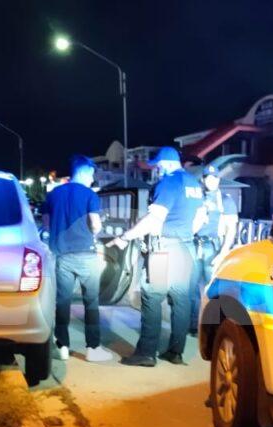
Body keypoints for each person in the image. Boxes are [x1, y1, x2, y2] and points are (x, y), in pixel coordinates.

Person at [109, 147, 206, 367]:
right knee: (181, 301)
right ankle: (175, 352)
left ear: (166, 164)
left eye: (158, 165)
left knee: (152, 298)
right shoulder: (193, 184)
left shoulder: (169, 182)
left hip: (165, 250)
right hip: (185, 248)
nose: (156, 170)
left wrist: (125, 237)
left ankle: (146, 353)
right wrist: (183, 233)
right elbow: (201, 218)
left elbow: (154, 219)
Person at [42, 156, 113, 363]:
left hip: (61, 256)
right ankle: (93, 348)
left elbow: (46, 224)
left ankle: (62, 346)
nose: (92, 179)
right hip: (86, 255)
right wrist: (97, 229)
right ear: (83, 172)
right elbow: (95, 225)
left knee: (62, 301)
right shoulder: (90, 195)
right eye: (91, 174)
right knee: (91, 302)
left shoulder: (53, 194)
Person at [189, 164, 239, 335]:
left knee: (213, 289)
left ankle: (212, 328)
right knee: (191, 288)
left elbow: (231, 229)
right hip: (195, 244)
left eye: (214, 178)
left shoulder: (225, 200)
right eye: (208, 178)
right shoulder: (197, 198)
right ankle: (193, 325)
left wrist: (223, 252)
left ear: (218, 180)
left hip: (214, 247)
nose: (211, 181)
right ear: (203, 180)